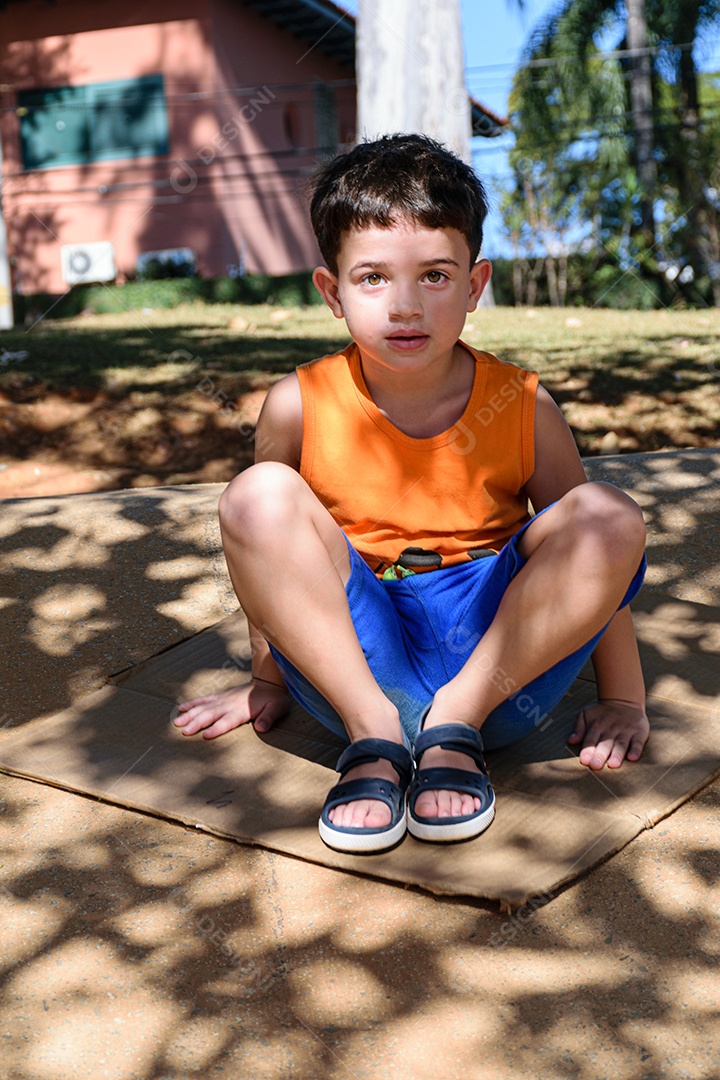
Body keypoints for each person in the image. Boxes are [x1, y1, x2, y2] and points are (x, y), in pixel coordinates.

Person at [174, 133, 648, 856]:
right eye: (372, 278)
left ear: (474, 285)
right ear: (332, 292)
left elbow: (597, 560)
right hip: (360, 669)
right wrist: (267, 681)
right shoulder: (297, 404)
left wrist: (623, 698)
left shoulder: (522, 404)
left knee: (608, 513)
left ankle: (452, 728)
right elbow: (265, 558)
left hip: (495, 677)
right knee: (256, 496)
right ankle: (377, 736)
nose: (404, 305)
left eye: (433, 275)